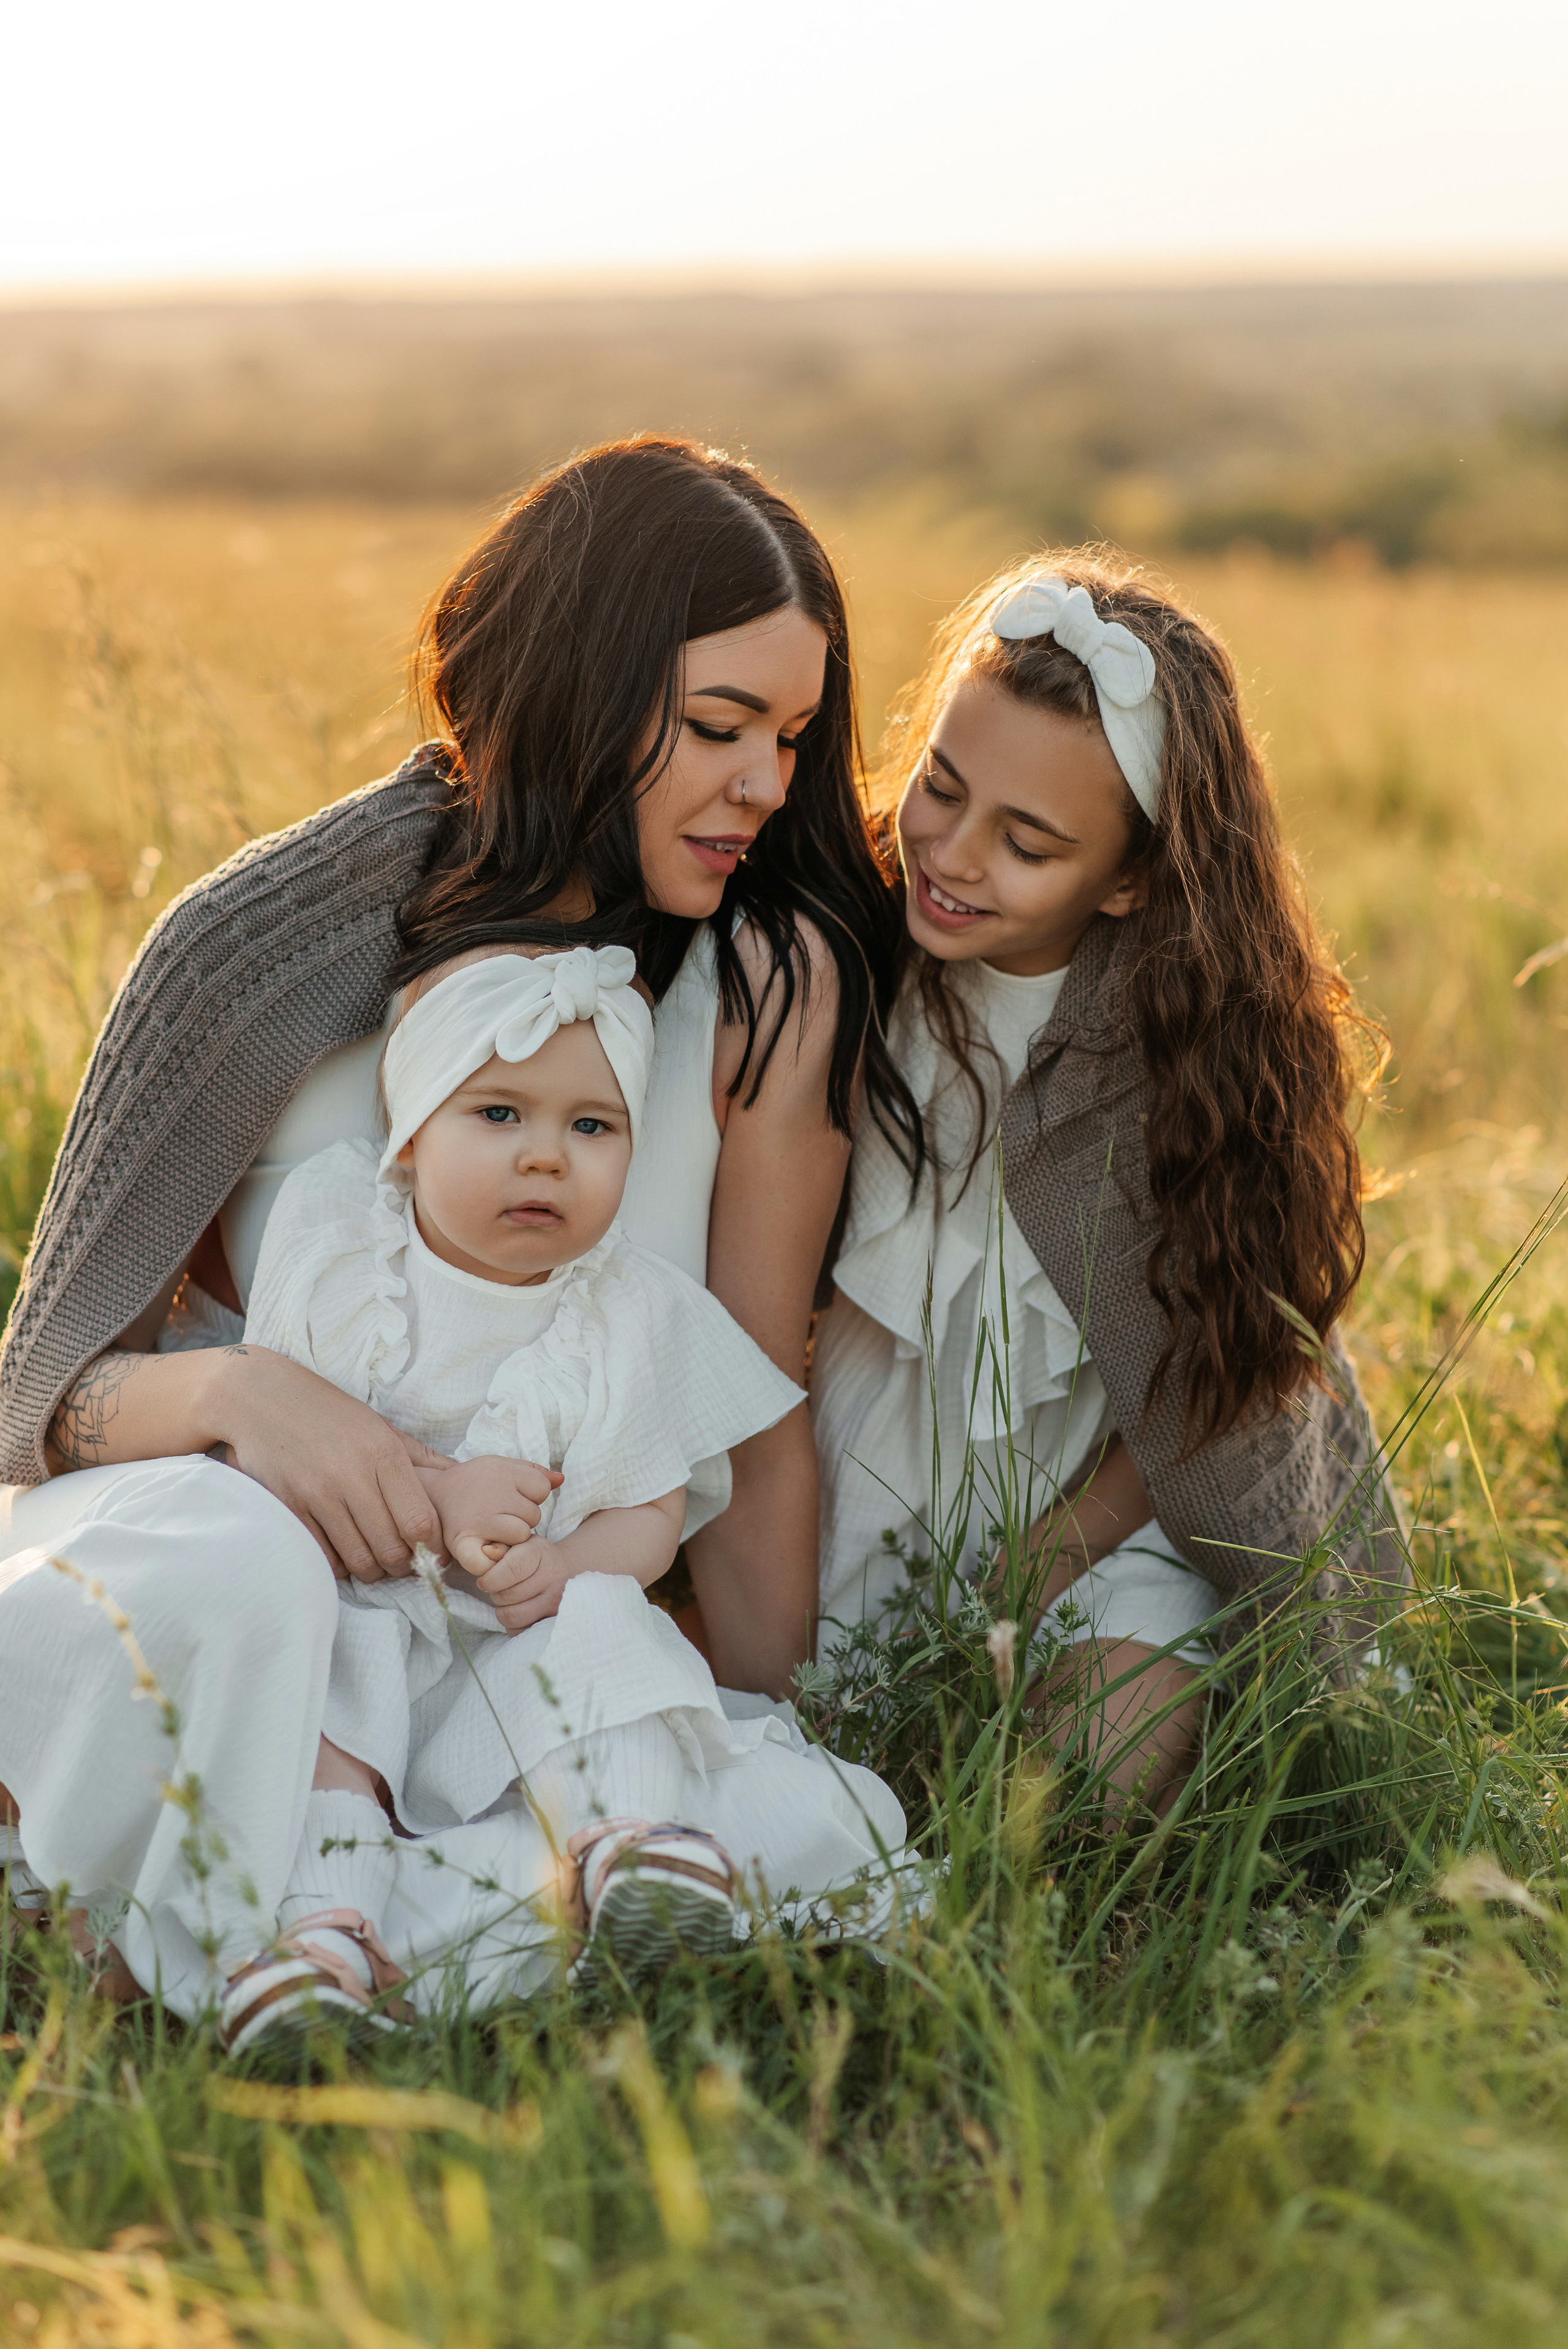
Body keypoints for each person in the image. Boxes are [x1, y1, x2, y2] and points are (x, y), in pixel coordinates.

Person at [0, 436, 918, 2006]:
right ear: (580, 687)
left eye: (788, 735)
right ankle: (290, 1909)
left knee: (807, 1817)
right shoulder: (254, 954)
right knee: (239, 1575)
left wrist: (769, 1711)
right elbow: (37, 1405)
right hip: (238, 1567)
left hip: (502, 1626)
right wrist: (240, 1399)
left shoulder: (765, 985)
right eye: (716, 727)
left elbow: (748, 1426)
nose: (765, 785)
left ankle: (252, 1930)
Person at [203, 944, 903, 2049]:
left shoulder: (620, 1308)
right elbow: (282, 1443)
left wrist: (569, 1568)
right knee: (309, 1711)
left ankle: (633, 1849)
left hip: (513, 1631)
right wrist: (446, 1497)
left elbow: (649, 1512)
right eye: (496, 1114)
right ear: (413, 1131)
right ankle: (321, 1937)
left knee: (602, 1626)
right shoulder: (342, 1236)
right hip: (358, 1610)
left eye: (593, 1127)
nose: (545, 1158)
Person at [812, 557, 1404, 1811]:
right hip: (857, 1468)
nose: (953, 857)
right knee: (827, 1724)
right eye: (939, 787)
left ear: (1130, 879)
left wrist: (1036, 1570)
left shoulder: (1179, 1057)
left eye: (1025, 843)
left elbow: (1205, 1382)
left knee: (1098, 1762)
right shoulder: (853, 954)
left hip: (1091, 1502)